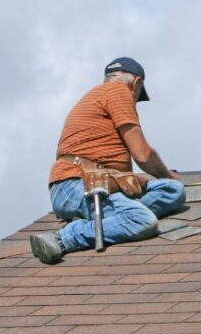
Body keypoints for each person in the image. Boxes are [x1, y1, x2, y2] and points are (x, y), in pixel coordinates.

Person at [29, 57, 186, 264]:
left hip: (100, 181)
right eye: (137, 95)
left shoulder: (100, 95)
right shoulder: (118, 91)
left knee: (171, 190)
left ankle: (112, 219)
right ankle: (63, 238)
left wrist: (165, 181)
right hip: (78, 184)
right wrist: (167, 173)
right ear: (136, 83)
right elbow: (142, 154)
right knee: (142, 221)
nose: (134, 100)